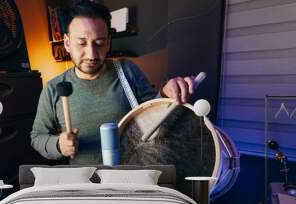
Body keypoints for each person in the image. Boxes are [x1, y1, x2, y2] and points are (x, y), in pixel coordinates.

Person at [31, 0, 196, 164]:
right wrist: (58, 145)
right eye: (81, 43)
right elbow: (37, 137)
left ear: (108, 42)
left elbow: (155, 120)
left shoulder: (127, 71)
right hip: (84, 183)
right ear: (67, 43)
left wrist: (166, 94)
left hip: (132, 176)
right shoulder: (53, 89)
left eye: (99, 43)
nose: (92, 54)